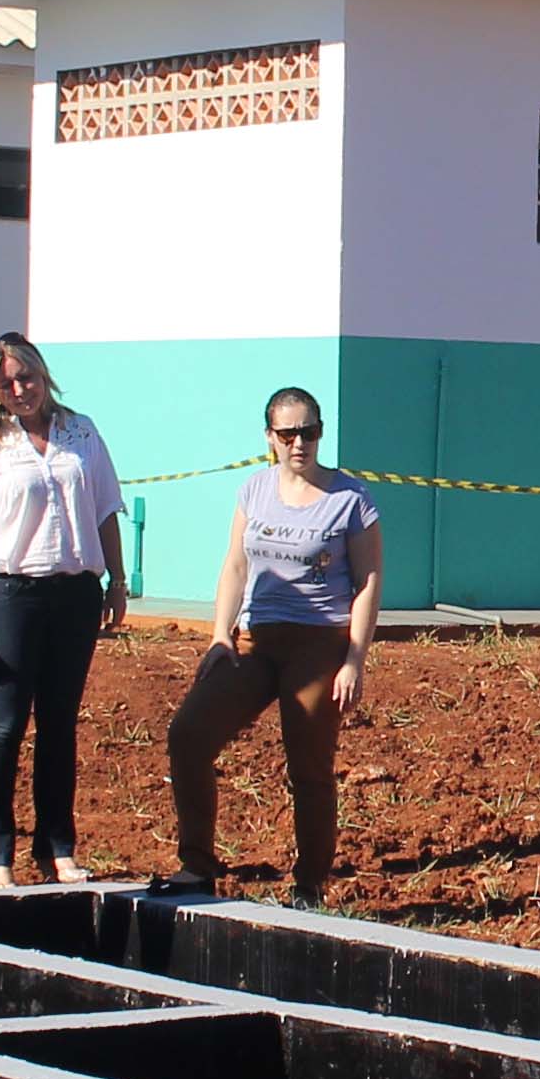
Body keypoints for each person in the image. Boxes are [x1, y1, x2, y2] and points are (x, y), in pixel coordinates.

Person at [160, 385, 380, 904]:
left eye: (309, 431)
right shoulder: (254, 491)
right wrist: (219, 636)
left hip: (319, 644)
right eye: (287, 433)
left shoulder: (351, 499)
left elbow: (368, 580)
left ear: (320, 432)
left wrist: (354, 660)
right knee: (188, 734)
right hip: (256, 641)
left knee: (308, 763)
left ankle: (309, 884)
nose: (299, 443)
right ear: (270, 438)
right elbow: (236, 566)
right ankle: (196, 865)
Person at [0, 331, 124, 887]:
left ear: (43, 374)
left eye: (27, 377)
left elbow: (105, 509)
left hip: (74, 594)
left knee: (60, 725)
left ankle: (57, 848)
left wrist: (116, 582)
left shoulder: (82, 432)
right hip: (11, 595)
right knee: (4, 726)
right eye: (7, 384)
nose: (20, 390)